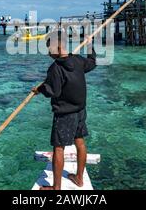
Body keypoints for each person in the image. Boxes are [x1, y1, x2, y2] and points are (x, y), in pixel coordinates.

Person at [32, 30, 96, 190]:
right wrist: (89, 45)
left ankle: (56, 188)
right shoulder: (78, 61)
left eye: (49, 48)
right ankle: (79, 178)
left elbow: (54, 91)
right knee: (79, 142)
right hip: (80, 111)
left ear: (59, 46)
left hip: (65, 114)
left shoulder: (55, 68)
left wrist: (41, 89)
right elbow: (92, 62)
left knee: (58, 148)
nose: (48, 53)